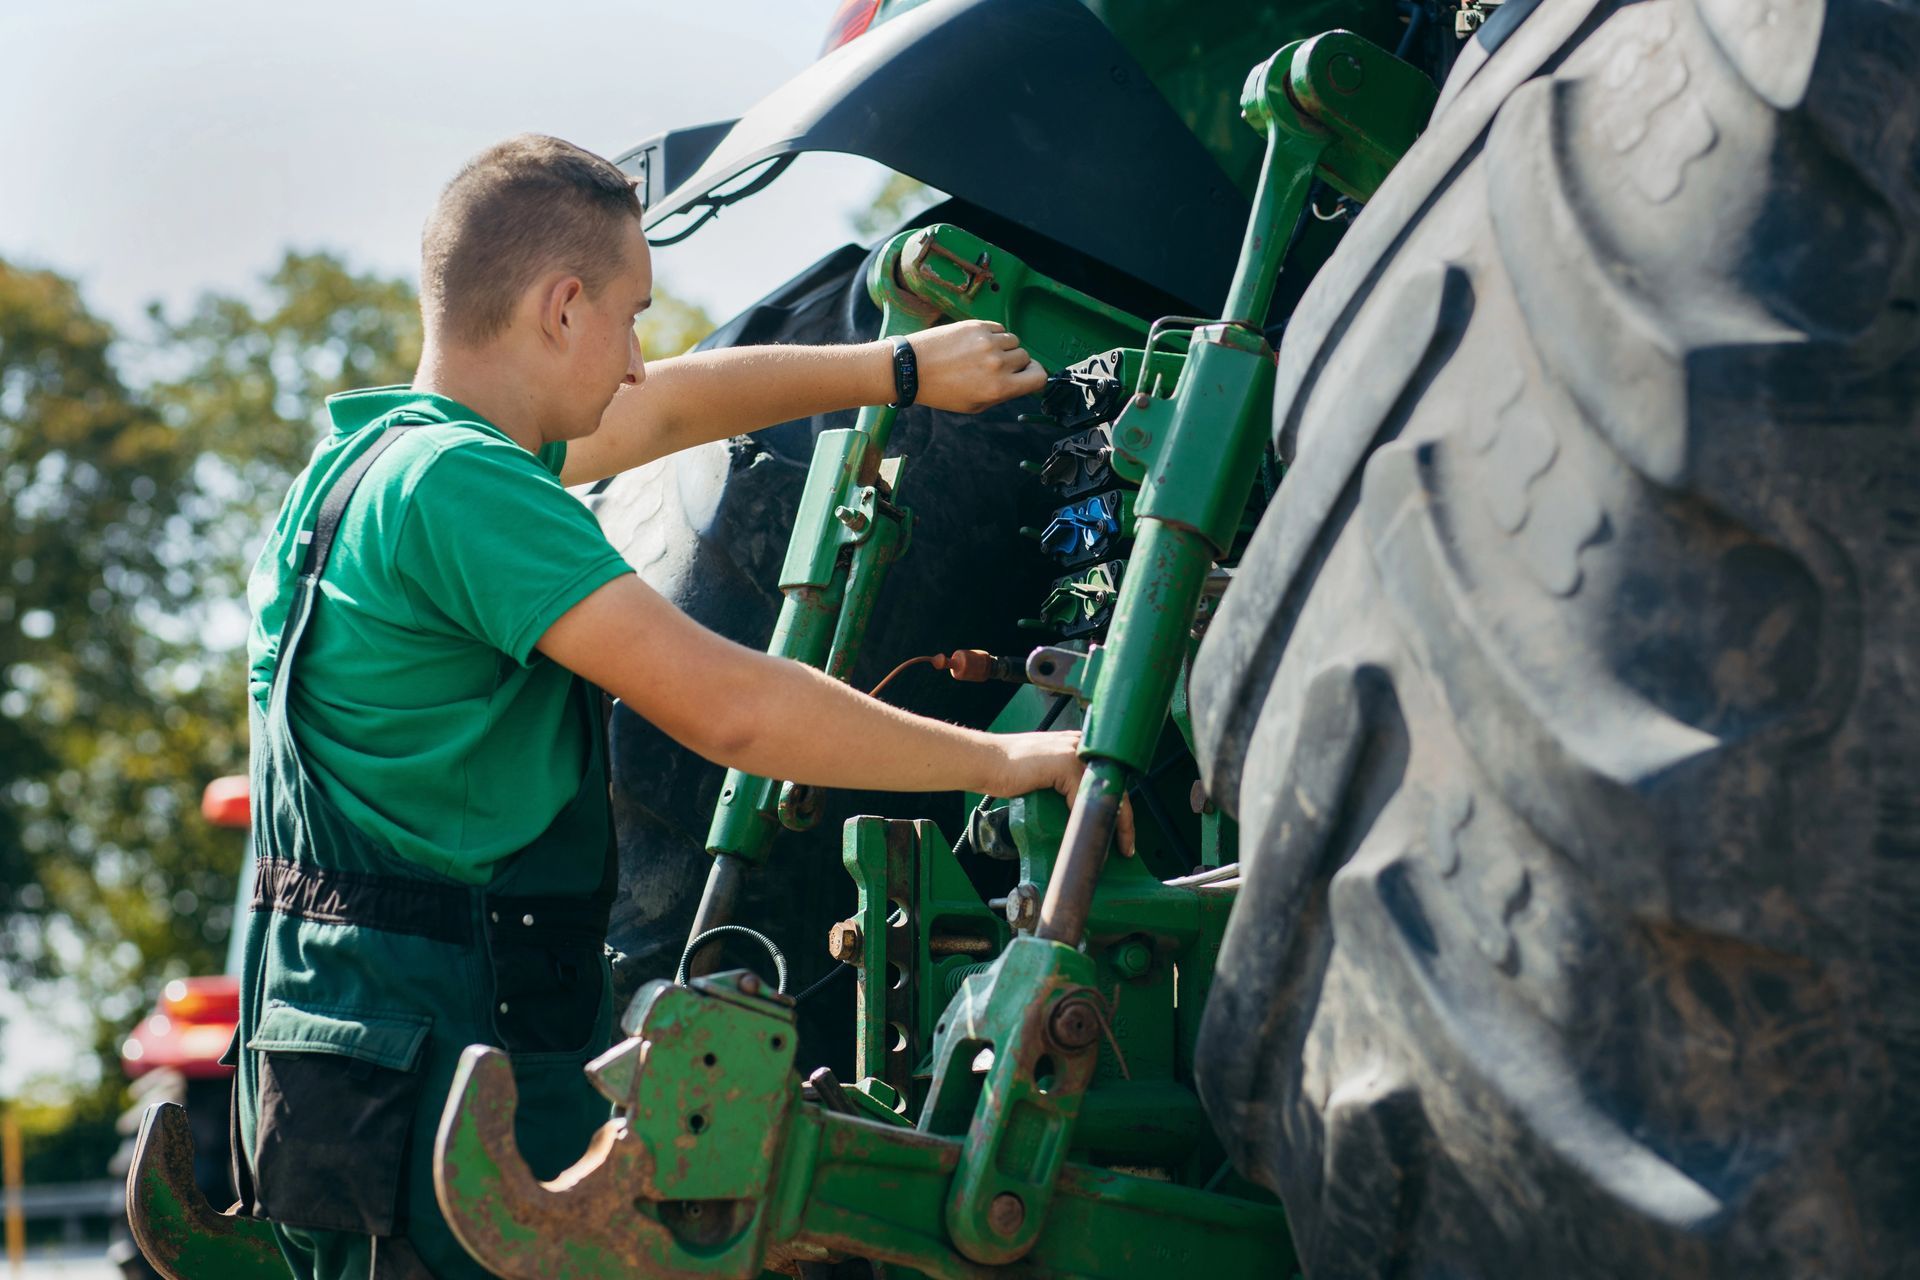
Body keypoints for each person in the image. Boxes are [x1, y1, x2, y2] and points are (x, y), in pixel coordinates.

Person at [232, 134, 1090, 1279]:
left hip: (336, 1069)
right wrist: (1009, 759)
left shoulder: (362, 469)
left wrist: (896, 367)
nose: (639, 359)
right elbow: (731, 708)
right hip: (456, 1082)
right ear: (562, 306)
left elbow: (667, 410)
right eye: (632, 316)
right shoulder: (465, 490)